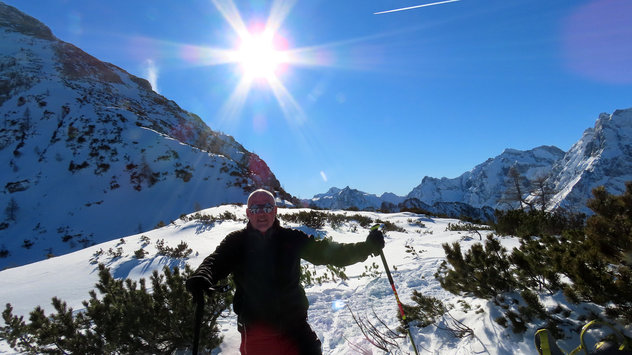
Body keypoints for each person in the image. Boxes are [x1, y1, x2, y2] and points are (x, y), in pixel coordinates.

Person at [186, 189, 385, 354]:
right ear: (248, 213)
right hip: (257, 331)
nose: (261, 213)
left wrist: (366, 247)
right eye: (255, 208)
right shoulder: (237, 241)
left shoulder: (292, 238)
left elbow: (329, 253)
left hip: (295, 326)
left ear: (275, 210)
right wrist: (203, 275)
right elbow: (216, 261)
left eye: (267, 207)